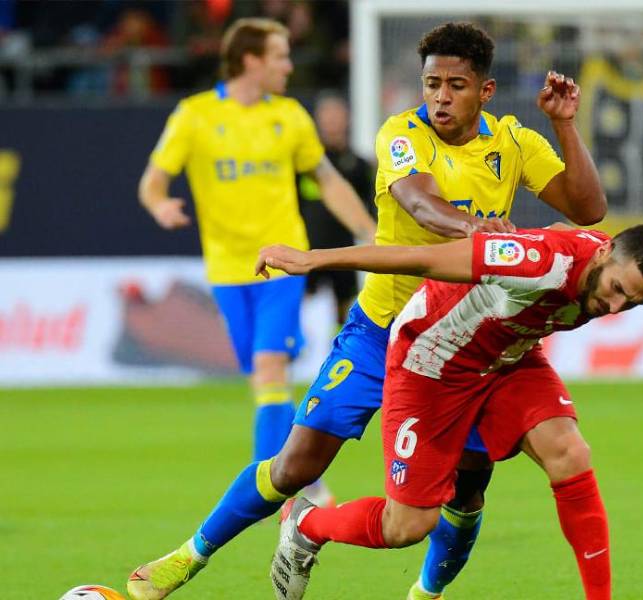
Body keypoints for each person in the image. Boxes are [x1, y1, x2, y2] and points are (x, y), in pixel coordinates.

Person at [127, 21, 605, 600]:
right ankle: (184, 560)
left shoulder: (514, 142)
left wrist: (564, 125)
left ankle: (425, 595)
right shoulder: (402, 135)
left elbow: (588, 208)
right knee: (295, 465)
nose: (440, 97)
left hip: (469, 343)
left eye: (456, 85)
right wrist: (481, 231)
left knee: (467, 491)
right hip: (383, 329)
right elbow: (422, 206)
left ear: (486, 91)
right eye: (432, 83)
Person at [259, 223, 643, 600]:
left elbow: (562, 225)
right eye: (617, 289)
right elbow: (421, 259)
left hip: (505, 358)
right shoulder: (538, 263)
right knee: (406, 526)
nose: (615, 307)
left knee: (570, 453)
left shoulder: (598, 271)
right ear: (604, 253)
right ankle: (307, 523)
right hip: (430, 361)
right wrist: (313, 260)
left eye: (631, 303)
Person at [136, 20, 375, 481]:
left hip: (281, 263)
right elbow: (152, 180)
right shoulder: (194, 115)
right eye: (280, 56)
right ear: (251, 60)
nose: (289, 66)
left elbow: (327, 180)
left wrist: (368, 230)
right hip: (227, 268)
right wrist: (159, 204)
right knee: (263, 379)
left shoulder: (289, 116)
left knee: (269, 369)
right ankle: (303, 477)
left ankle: (268, 487)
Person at [298, 91, 376, 325]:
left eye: (336, 115)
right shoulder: (306, 164)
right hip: (307, 249)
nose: (331, 121)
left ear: (347, 118)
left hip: (344, 251)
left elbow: (371, 206)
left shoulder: (359, 165)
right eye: (327, 115)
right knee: (303, 313)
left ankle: (340, 345)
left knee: (345, 312)